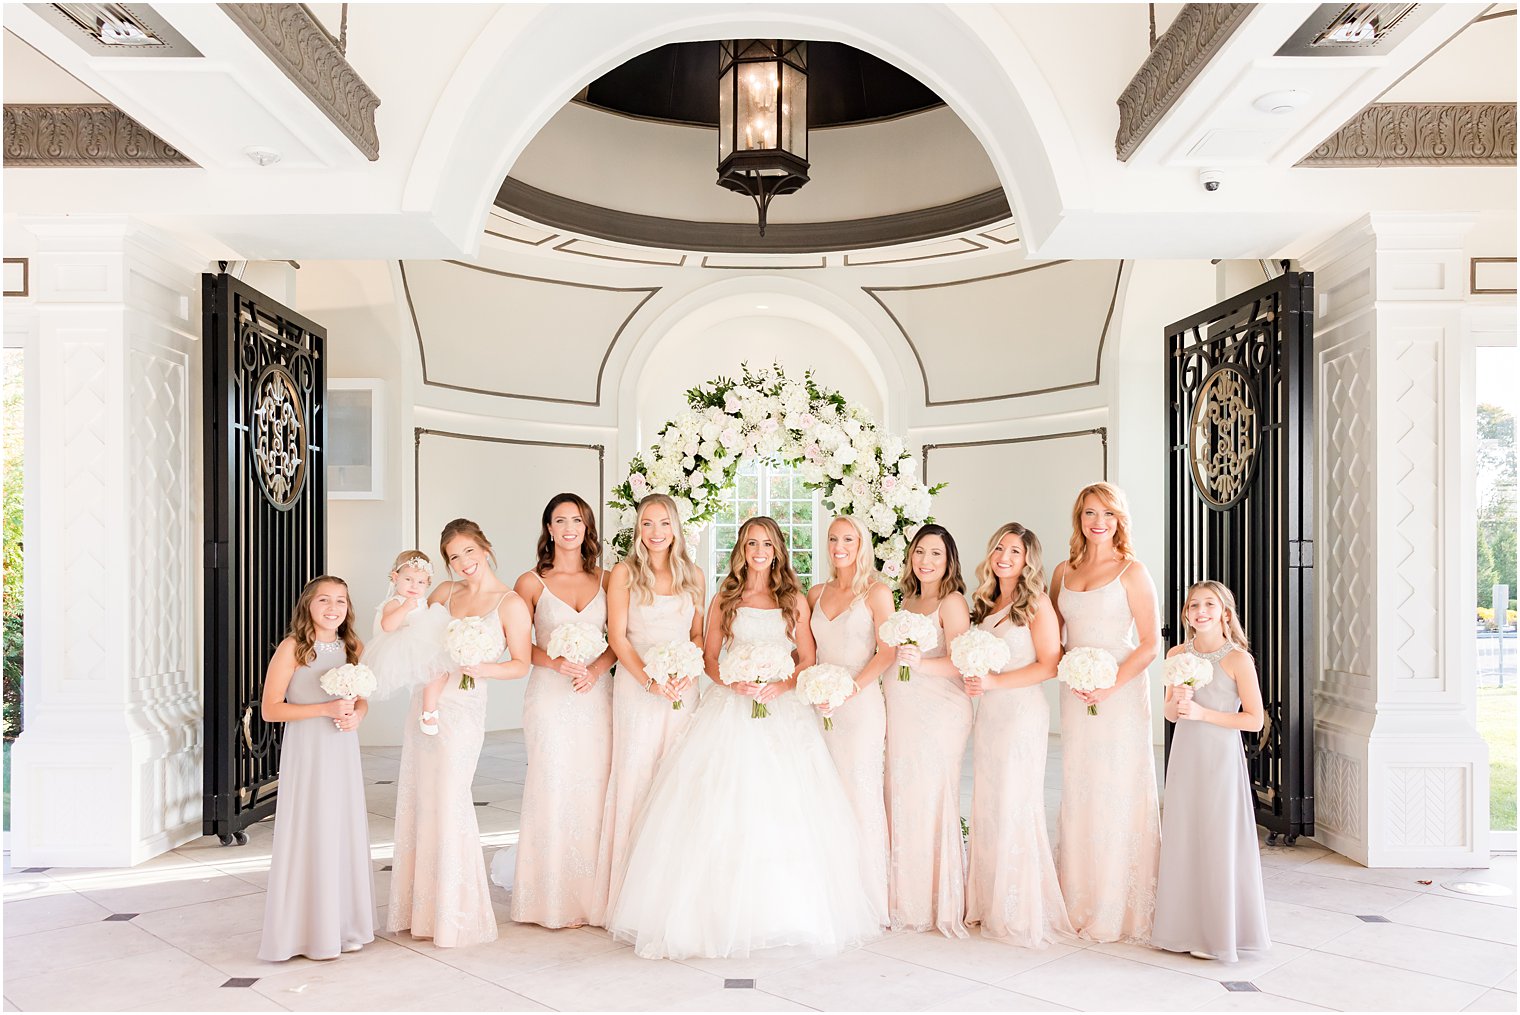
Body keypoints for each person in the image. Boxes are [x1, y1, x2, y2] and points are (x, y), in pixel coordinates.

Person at [607, 516, 883, 959]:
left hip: (782, 711)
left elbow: (807, 657)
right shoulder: (725, 597)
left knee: (784, 807)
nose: (759, 551)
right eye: (752, 543)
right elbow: (710, 656)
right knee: (720, 803)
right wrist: (731, 682)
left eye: (767, 544)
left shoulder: (793, 598)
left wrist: (781, 685)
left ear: (778, 550)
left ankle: (783, 908)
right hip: (730, 706)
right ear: (742, 547)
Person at [388, 519, 531, 948]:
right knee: (422, 795)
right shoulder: (443, 594)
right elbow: (410, 637)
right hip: (426, 706)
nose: (463, 562)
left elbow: (521, 663)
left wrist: (478, 667)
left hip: (464, 708)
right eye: (453, 557)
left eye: (469, 551)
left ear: (485, 547)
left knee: (451, 797)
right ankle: (422, 910)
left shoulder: (510, 603)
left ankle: (456, 912)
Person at [1050, 482, 1162, 943]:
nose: (1098, 522)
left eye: (1108, 514)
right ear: (1079, 519)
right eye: (1090, 513)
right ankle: (1077, 897)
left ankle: (1121, 906)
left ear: (1120, 521)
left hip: (1120, 694)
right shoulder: (1063, 571)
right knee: (1081, 786)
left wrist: (1109, 684)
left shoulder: (1132, 571)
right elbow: (1054, 637)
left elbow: (1151, 643)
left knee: (1118, 788)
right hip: (1076, 695)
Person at [595, 494, 706, 917]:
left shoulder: (693, 574)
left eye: (663, 523)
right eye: (647, 524)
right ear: (638, 529)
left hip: (682, 688)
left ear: (676, 527)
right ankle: (627, 893)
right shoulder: (624, 573)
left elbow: (698, 635)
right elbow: (618, 637)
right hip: (638, 687)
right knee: (637, 775)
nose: (655, 533)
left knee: (676, 778)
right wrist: (649, 680)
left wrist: (685, 673)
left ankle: (671, 886)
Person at [510, 493, 617, 929]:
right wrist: (555, 662)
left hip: (594, 696)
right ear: (548, 529)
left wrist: (594, 669)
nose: (569, 527)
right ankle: (550, 898)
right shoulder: (530, 582)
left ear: (587, 527)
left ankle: (594, 896)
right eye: (560, 520)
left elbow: (621, 641)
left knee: (594, 786)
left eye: (577, 519)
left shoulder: (608, 579)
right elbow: (518, 645)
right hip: (549, 697)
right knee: (551, 783)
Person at [963, 523, 1074, 947]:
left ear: (1028, 559)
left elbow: (1050, 664)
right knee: (989, 801)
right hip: (990, 715)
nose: (1004, 556)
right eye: (998, 548)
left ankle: (1016, 907)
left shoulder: (1037, 603)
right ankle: (988, 901)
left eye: (1014, 550)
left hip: (1021, 713)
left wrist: (994, 683)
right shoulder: (986, 601)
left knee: (1015, 801)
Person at [1152, 580, 1271, 962]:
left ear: (1224, 612)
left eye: (1208, 604)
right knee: (1185, 835)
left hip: (1220, 758)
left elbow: (1254, 720)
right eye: (1192, 605)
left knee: (1218, 839)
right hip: (1186, 755)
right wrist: (1180, 701)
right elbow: (1170, 713)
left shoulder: (1238, 659)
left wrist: (1204, 713)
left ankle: (1218, 934)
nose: (1199, 611)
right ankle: (1181, 929)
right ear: (1186, 614)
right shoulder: (1176, 653)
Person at [258, 575, 375, 961]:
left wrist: (357, 714)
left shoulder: (353, 646)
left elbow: (360, 700)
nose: (332, 608)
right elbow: (271, 709)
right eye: (324, 599)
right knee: (311, 829)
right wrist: (323, 709)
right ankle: (304, 932)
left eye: (340, 600)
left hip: (342, 747)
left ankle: (344, 926)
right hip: (308, 751)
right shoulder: (294, 648)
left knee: (342, 829)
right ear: (308, 604)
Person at [882, 523, 974, 938]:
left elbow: (960, 661)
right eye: (920, 552)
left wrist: (919, 665)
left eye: (936, 553)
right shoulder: (908, 599)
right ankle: (903, 895)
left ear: (948, 559)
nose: (926, 561)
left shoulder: (952, 602)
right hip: (903, 708)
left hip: (939, 709)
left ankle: (934, 899)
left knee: (930, 795)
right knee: (903, 793)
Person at [806, 514, 895, 923]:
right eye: (833, 539)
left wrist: (850, 689)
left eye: (848, 539)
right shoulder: (815, 592)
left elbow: (887, 652)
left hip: (859, 707)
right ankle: (826, 888)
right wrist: (816, 689)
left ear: (862, 544)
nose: (839, 546)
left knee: (859, 793)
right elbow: (806, 653)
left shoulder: (877, 593)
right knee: (822, 793)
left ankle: (866, 894)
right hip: (820, 707)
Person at [363, 550, 452, 734]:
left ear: (427, 584)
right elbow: (387, 625)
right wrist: (403, 608)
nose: (414, 586)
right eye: (408, 579)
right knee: (434, 672)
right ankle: (428, 713)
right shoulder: (394, 602)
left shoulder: (422, 601)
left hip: (423, 644)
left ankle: (430, 708)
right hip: (403, 646)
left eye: (421, 582)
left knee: (441, 673)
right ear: (395, 577)